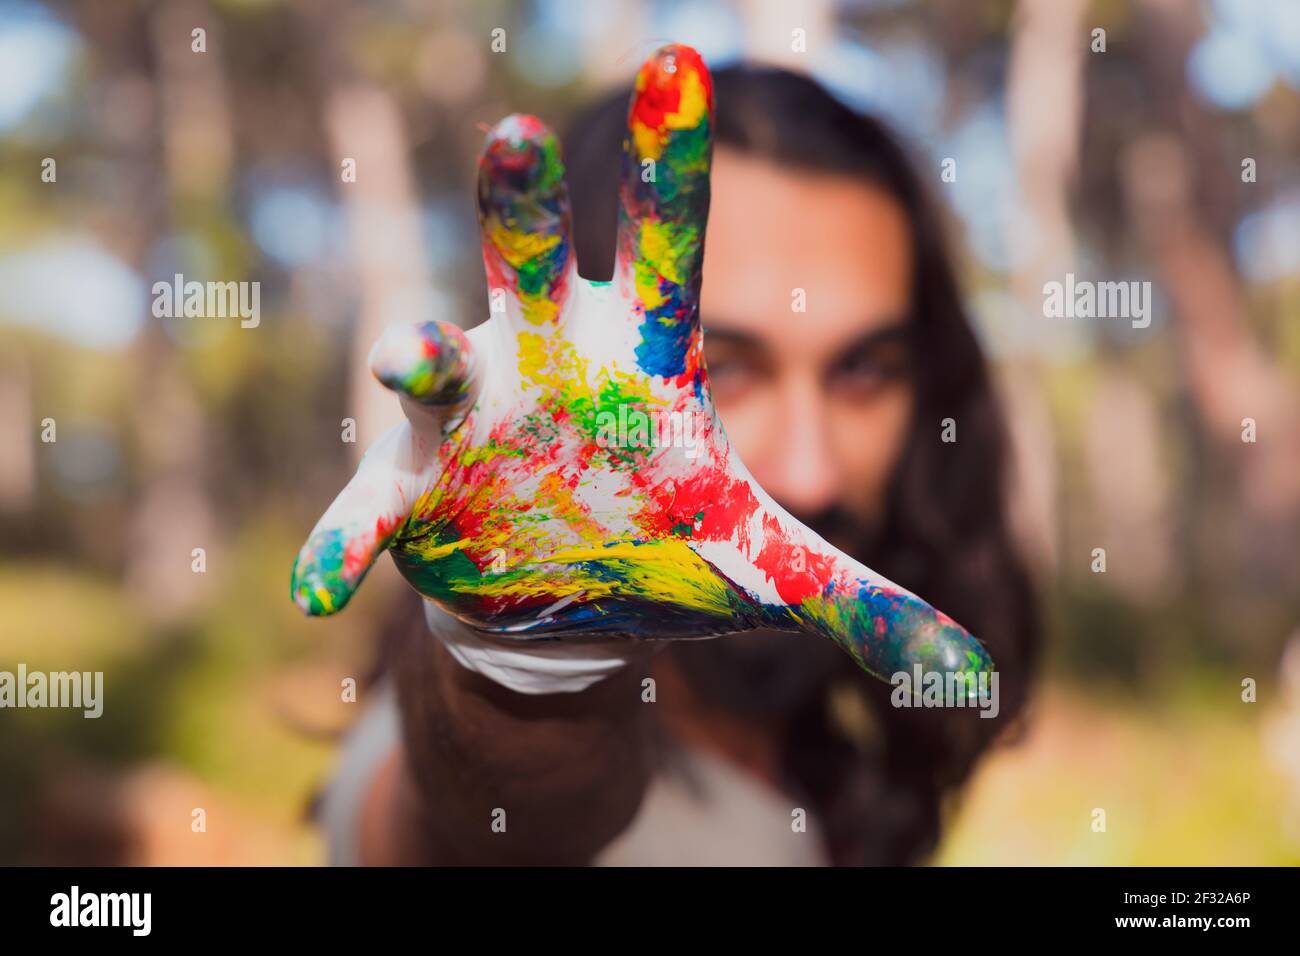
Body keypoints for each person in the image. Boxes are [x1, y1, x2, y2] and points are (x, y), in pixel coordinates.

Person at [311, 53, 1039, 866]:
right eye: (723, 366)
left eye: (862, 370)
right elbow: (478, 814)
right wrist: (528, 664)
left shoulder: (824, 758)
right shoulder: (428, 765)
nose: (811, 472)